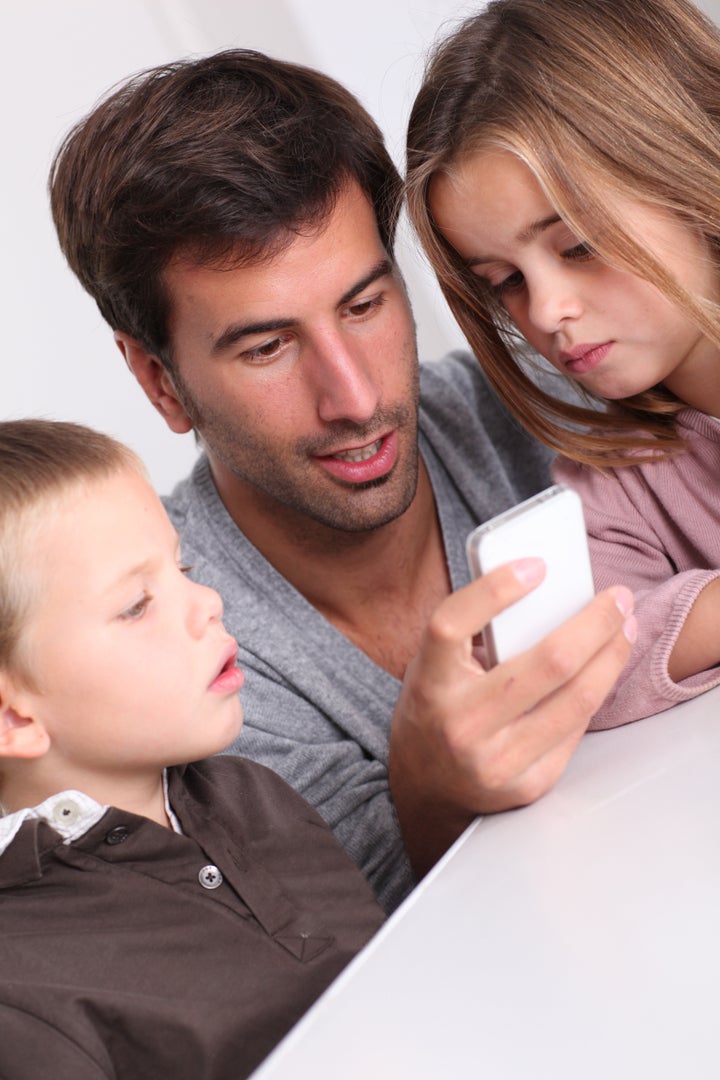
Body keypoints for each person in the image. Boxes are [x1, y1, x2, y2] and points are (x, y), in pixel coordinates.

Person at [49, 49, 635, 914]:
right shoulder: (179, 665)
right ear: (160, 382)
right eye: (268, 348)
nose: (355, 398)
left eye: (365, 306)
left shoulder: (562, 408)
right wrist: (428, 798)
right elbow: (344, 983)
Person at [0, 418, 384, 1080]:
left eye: (182, 568)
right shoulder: (21, 990)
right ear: (13, 715)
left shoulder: (255, 793)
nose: (207, 601)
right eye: (136, 605)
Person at [405, 0, 720, 731]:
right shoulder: (620, 476)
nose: (544, 311)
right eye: (503, 281)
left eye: (578, 245)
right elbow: (569, 672)